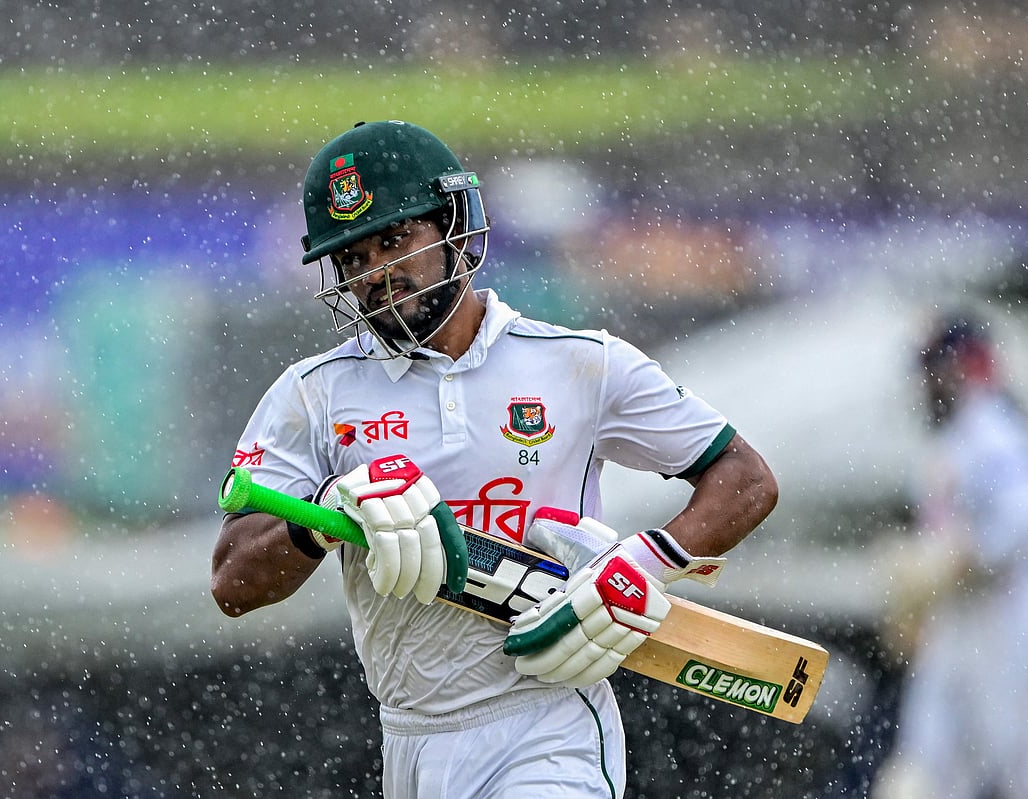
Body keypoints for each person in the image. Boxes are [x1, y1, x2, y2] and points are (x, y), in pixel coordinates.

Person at [210, 119, 778, 798]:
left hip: (548, 723)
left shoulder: (576, 362)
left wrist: (641, 565)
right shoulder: (314, 393)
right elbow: (233, 583)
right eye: (354, 257)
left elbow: (744, 479)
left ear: (454, 223)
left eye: (394, 241)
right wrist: (319, 517)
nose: (376, 274)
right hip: (410, 737)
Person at [874, 313, 1028, 799]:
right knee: (928, 763)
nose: (923, 384)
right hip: (961, 625)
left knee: (1025, 767)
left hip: (1008, 626)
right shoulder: (955, 436)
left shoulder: (993, 430)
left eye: (932, 369)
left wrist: (957, 560)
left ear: (960, 368)